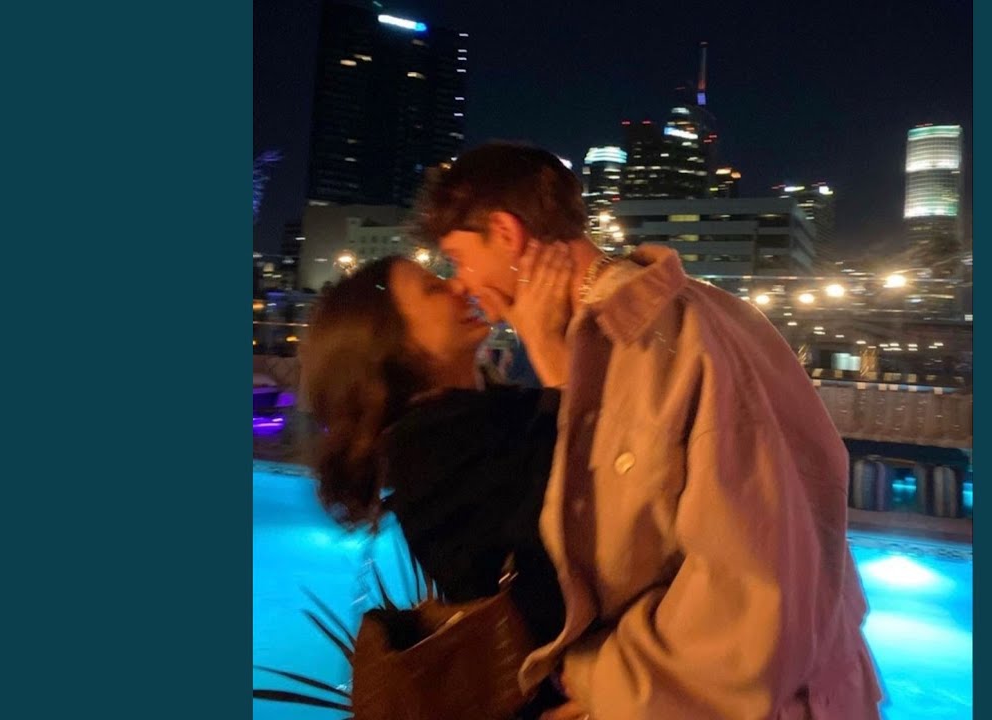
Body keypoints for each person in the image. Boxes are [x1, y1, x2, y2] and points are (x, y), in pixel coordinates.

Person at [422, 142, 884, 720]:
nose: (460, 283)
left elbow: (745, 610)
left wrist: (591, 677)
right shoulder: (700, 311)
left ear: (505, 232)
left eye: (458, 259)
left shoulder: (653, 344)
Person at [298, 249, 579, 716]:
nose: (459, 286)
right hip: (563, 692)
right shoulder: (426, 453)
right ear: (396, 345)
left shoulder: (490, 413)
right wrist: (549, 348)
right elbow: (584, 498)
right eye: (434, 288)